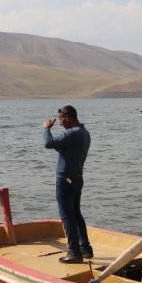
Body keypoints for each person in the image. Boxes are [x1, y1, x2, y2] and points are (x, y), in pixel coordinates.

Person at [43, 105, 93, 263]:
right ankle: (85, 248)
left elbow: (48, 143)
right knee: (76, 213)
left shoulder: (71, 133)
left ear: (68, 117)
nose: (59, 123)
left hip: (65, 180)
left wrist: (46, 128)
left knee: (66, 217)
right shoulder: (84, 133)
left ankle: (74, 253)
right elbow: (65, 150)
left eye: (60, 120)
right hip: (77, 178)